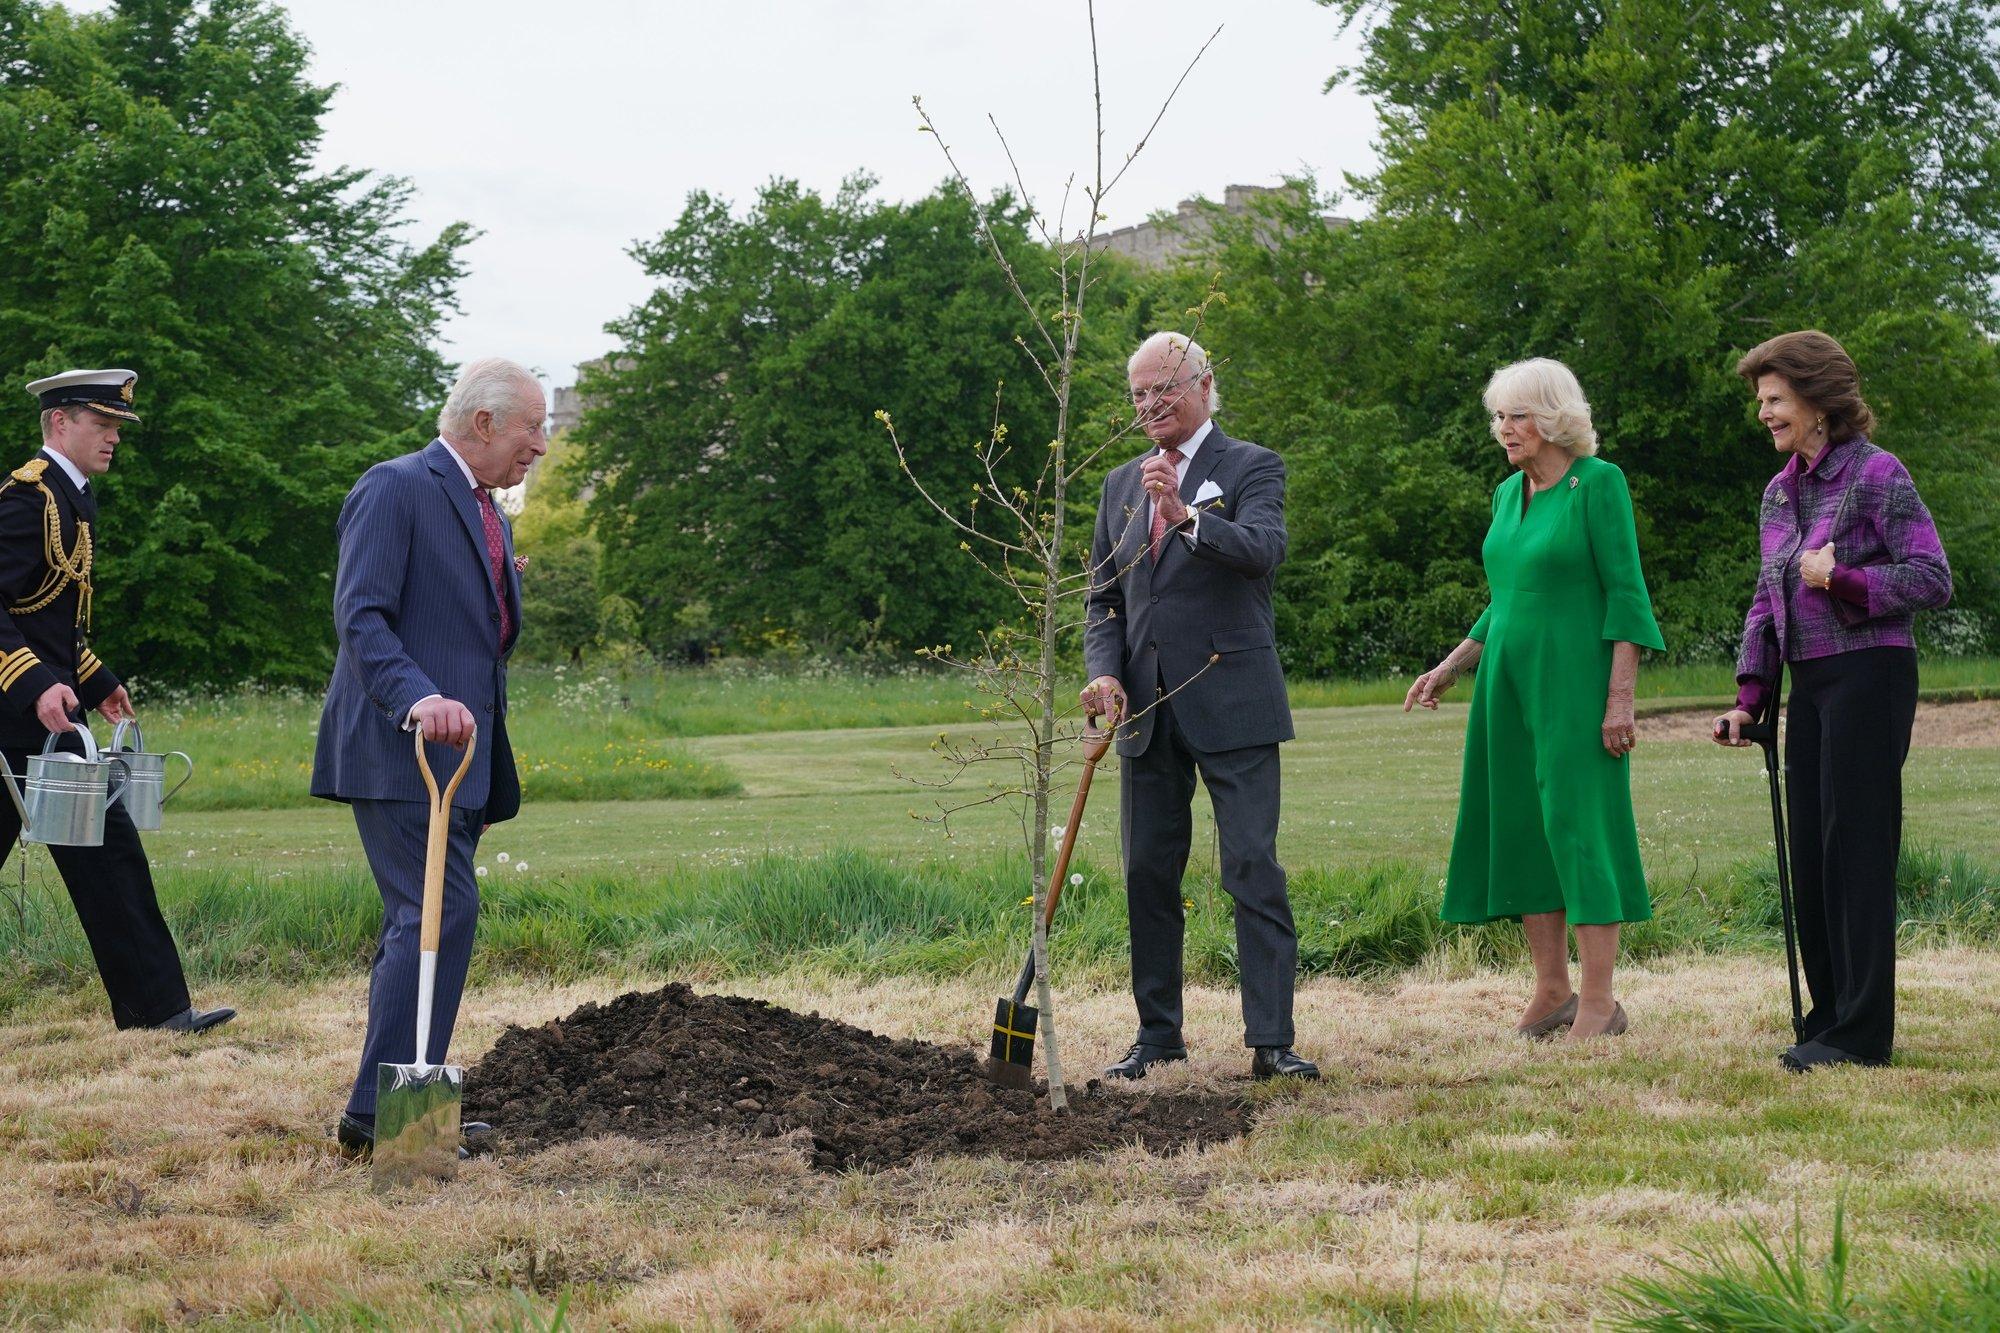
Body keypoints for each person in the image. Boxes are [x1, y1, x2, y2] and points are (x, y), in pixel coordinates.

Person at [312, 358, 544, 1154]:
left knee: (430, 917)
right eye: (531, 428)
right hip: (400, 748)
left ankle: (390, 1112)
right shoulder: (395, 486)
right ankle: (388, 1121)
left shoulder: (489, 511)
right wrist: (416, 697)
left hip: (461, 760)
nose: (539, 446)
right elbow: (362, 617)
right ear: (484, 423)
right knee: (438, 913)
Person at [1712, 330, 1951, 1072]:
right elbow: (1765, 599)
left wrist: (1842, 580)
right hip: (1810, 687)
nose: (1765, 414)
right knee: (1814, 849)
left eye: (1776, 400)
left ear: (1818, 401)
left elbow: (1931, 578)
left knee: (1856, 848)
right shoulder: (1780, 492)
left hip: (1871, 676)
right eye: (1762, 401)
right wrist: (1752, 696)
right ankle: (1829, 1018)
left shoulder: (1877, 476)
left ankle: (1863, 1031)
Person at [1081, 331, 1316, 1082]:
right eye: (1139, 393)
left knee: (1251, 864)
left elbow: (1263, 549)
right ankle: (1157, 1036)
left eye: (1165, 389)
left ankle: (1271, 1043)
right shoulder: (1119, 485)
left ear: (1205, 385)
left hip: (1234, 702)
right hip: (1145, 712)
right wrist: (1103, 674)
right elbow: (1104, 600)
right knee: (1149, 870)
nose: (1150, 404)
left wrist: (1186, 516)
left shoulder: (1251, 466)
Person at [1405, 358, 1663, 1041]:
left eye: (1517, 415)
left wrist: (1620, 699)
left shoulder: (1597, 485)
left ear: (1552, 419)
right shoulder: (1506, 493)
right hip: (1507, 687)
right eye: (1498, 416)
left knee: (1580, 828)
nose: (1503, 429)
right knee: (1521, 827)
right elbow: (1507, 599)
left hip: (1575, 683)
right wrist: (1453, 663)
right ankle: (1552, 989)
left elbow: (1627, 595)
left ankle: (1601, 1001)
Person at [2, 370, 233, 1033]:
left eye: (116, 428)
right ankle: (157, 1011)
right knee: (110, 851)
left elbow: (51, 618)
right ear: (58, 424)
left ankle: (157, 1012)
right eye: (101, 425)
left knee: (108, 855)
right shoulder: (27, 500)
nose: (112, 438)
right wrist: (34, 680)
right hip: (17, 714)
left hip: (38, 720)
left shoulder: (71, 498)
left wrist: (97, 679)